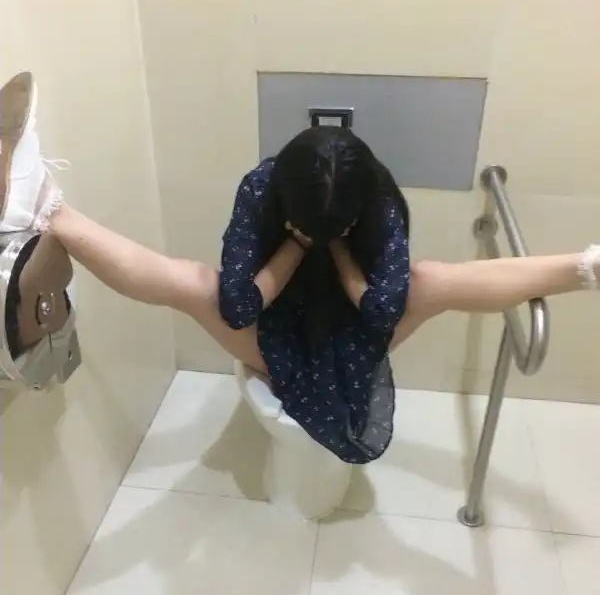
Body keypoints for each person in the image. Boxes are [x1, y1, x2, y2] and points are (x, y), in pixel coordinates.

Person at [1, 71, 598, 464]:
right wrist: (297, 244)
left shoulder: (380, 200)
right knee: (191, 281)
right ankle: (47, 208)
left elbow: (383, 310)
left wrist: (334, 249)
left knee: (434, 279)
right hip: (274, 331)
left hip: (355, 332)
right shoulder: (261, 187)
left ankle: (586, 268)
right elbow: (238, 305)